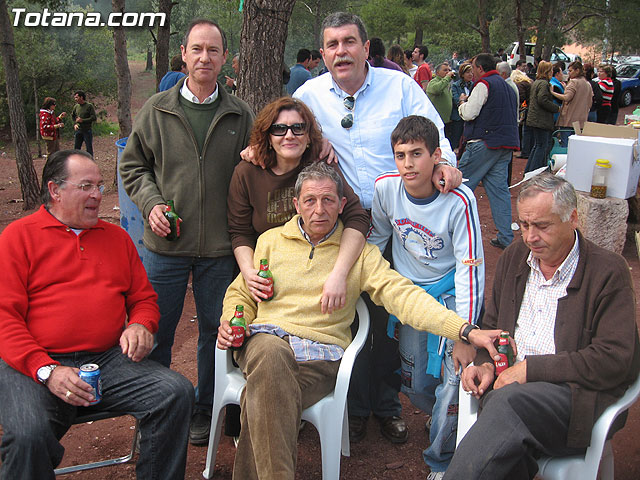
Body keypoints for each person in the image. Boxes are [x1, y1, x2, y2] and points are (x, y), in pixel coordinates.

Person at [217, 161, 502, 480]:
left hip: (317, 362)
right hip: (263, 344)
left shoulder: (359, 255)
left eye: (328, 200)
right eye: (310, 200)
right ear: (296, 205)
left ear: (342, 205)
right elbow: (240, 293)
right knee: (271, 355)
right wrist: (232, 319)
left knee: (264, 398)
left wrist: (463, 329)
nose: (319, 209)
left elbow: (403, 296)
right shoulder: (270, 242)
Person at [292, 11, 461, 444]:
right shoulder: (310, 95)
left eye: (349, 42)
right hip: (342, 226)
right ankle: (348, 409)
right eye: (331, 44)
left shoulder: (400, 87)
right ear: (323, 53)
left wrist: (444, 166)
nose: (340, 51)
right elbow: (281, 135)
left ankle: (386, 407)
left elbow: (435, 136)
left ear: (366, 48)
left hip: (396, 225)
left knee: (387, 323)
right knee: (344, 320)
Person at [0, 149, 195, 479]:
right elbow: (5, 319)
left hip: (105, 361)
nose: (97, 195)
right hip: (34, 364)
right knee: (28, 435)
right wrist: (47, 370)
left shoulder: (116, 238)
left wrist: (140, 325)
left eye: (100, 186)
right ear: (55, 190)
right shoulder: (19, 237)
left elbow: (144, 299)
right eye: (86, 186)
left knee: (174, 393)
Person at [445, 173, 640, 480]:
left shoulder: (608, 271)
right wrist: (484, 364)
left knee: (507, 403)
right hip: (510, 393)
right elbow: (493, 325)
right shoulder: (515, 257)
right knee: (506, 420)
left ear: (572, 218)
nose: (530, 236)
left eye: (542, 226)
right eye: (524, 225)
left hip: (577, 399)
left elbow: (614, 359)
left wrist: (530, 370)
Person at [119, 18, 254, 446]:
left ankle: (203, 411)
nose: (204, 58)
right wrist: (152, 203)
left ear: (224, 57)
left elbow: (258, 166)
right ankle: (151, 415)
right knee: (156, 330)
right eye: (197, 49)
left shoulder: (240, 112)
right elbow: (133, 166)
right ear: (184, 53)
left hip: (220, 248)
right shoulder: (157, 109)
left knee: (217, 335)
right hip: (165, 246)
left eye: (213, 50)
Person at [369, 116, 484, 480]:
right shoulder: (386, 189)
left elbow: (470, 268)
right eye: (400, 155)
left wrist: (463, 332)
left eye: (417, 154)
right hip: (409, 296)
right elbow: (375, 242)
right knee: (416, 383)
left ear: (436, 156)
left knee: (454, 376)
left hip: (450, 293)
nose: (408, 164)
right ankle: (441, 416)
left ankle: (442, 460)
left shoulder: (458, 200)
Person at [228, 96, 369, 309]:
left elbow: (356, 216)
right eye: (279, 129)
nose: (289, 135)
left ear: (309, 136)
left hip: (320, 275)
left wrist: (339, 273)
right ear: (267, 136)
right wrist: (249, 273)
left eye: (298, 128)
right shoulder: (247, 173)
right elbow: (239, 231)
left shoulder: (322, 168)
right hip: (270, 276)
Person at [457, 53, 519, 250]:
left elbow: (469, 113)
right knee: (499, 192)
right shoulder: (507, 86)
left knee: (458, 187)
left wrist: (461, 104)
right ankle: (506, 237)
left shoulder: (484, 84)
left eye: (473, 68)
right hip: (504, 145)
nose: (472, 72)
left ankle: (447, 235)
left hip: (484, 143)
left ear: (480, 69)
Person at [525, 61, 560, 173]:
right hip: (541, 120)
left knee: (537, 145)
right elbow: (542, 100)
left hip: (534, 119)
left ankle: (530, 170)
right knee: (541, 146)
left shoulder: (537, 82)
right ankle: (535, 171)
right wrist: (556, 108)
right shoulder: (544, 84)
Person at [550, 61, 592, 143]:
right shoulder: (587, 84)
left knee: (565, 144)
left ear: (577, 70)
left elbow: (567, 97)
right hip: (581, 121)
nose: (569, 73)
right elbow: (590, 102)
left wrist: (553, 93)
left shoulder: (573, 82)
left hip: (569, 120)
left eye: (570, 71)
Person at [449, 63, 473, 152]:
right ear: (462, 74)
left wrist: (464, 98)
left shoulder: (474, 85)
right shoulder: (455, 85)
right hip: (458, 116)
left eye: (472, 72)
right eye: (468, 72)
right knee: (455, 138)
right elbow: (456, 100)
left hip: (469, 116)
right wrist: (464, 100)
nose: (470, 74)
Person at [512, 68, 533, 160]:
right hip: (531, 108)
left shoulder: (520, 85)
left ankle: (525, 151)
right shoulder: (528, 83)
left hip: (527, 109)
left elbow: (521, 97)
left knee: (526, 131)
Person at [71, 91, 96, 156]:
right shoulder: (76, 106)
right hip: (78, 130)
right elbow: (73, 116)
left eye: (77, 97)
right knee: (76, 148)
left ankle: (90, 162)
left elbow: (93, 117)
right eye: (75, 98)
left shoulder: (89, 106)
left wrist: (83, 120)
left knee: (89, 148)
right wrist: (75, 124)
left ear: (81, 97)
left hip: (87, 130)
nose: (75, 99)